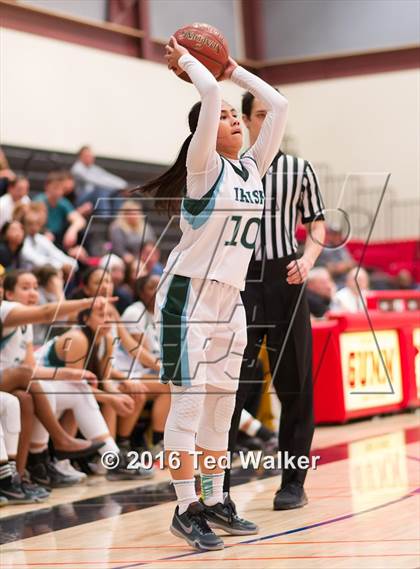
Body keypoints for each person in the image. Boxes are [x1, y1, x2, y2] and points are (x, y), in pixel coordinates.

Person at [136, 36, 287, 550]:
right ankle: (186, 507)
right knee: (188, 405)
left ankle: (215, 497)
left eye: (236, 116)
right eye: (222, 116)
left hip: (230, 300)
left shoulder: (251, 169)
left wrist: (236, 70)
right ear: (204, 129)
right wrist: (191, 62)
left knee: (223, 408)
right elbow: (204, 88)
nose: (235, 119)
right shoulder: (206, 168)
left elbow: (281, 106)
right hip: (188, 298)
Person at [223, 90, 326, 511]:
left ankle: (293, 483)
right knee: (231, 385)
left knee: (296, 384)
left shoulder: (299, 169)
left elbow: (317, 223)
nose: (269, 122)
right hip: (239, 279)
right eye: (261, 114)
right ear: (247, 120)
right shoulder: (227, 170)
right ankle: (218, 487)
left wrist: (309, 259)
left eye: (274, 114)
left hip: (286, 276)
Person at [32, 302, 154, 481]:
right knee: (80, 395)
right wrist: (110, 399)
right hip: (38, 383)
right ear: (86, 318)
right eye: (101, 315)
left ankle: (68, 462)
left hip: (58, 387)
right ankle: (109, 457)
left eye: (110, 315)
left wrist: (115, 395)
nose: (107, 320)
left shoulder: (105, 339)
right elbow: (76, 384)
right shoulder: (78, 338)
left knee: (83, 399)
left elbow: (104, 379)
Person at [113, 274, 169, 454]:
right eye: (152, 287)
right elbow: (142, 355)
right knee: (171, 386)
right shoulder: (134, 312)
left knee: (183, 385)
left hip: (143, 372)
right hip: (125, 370)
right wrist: (166, 368)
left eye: (160, 285)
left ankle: (156, 439)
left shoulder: (163, 312)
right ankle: (158, 442)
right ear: (141, 292)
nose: (158, 290)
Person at [34, 171, 86, 249]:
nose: (58, 192)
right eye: (55, 188)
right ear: (47, 186)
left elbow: (79, 220)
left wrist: (72, 231)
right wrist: (44, 232)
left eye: (61, 188)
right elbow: (33, 224)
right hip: (41, 238)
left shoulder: (62, 202)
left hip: (58, 238)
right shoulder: (39, 201)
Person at [71, 145, 127, 213]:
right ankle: (103, 219)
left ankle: (116, 218)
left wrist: (123, 185)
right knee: (100, 189)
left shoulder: (94, 168)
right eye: (87, 156)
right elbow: (96, 181)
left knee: (118, 193)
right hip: (81, 198)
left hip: (94, 196)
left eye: (91, 156)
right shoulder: (77, 169)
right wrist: (120, 186)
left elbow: (107, 177)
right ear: (80, 157)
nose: (90, 158)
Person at [21, 208, 78, 274]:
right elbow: (37, 260)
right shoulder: (22, 241)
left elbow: (56, 253)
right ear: (23, 225)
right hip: (30, 274)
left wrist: (72, 264)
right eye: (30, 224)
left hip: (49, 272)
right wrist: (61, 266)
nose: (34, 227)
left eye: (36, 224)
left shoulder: (41, 238)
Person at [109, 199, 156, 264]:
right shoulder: (117, 227)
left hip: (143, 258)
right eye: (131, 213)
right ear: (124, 214)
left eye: (136, 213)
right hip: (124, 258)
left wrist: (149, 252)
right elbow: (118, 248)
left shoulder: (145, 226)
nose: (134, 215)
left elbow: (151, 242)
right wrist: (125, 255)